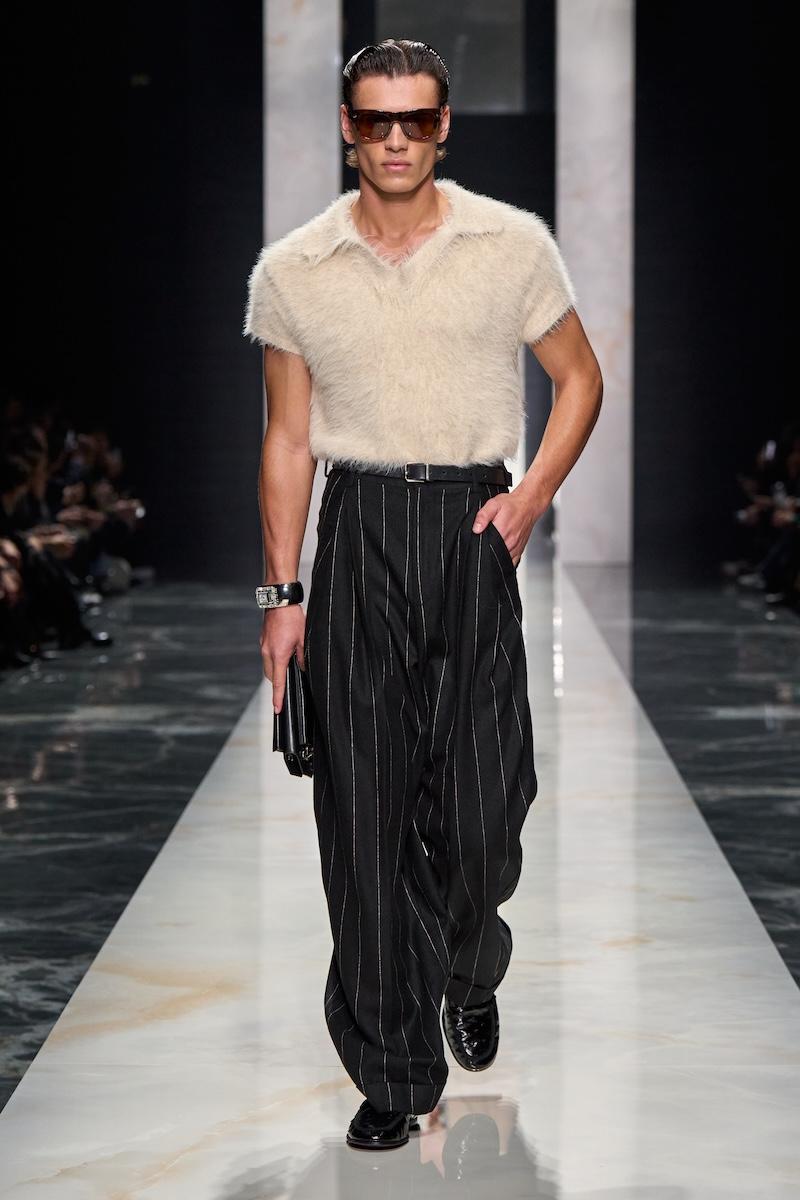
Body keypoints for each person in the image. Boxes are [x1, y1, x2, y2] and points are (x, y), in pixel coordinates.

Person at [244, 39, 603, 1151]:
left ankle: (468, 960)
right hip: (356, 533)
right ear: (346, 129)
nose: (394, 139)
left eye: (414, 120)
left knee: (487, 808)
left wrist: (532, 495)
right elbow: (288, 440)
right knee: (361, 818)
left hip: (470, 526)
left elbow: (580, 379)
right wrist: (282, 593)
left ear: (443, 127)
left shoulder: (510, 245)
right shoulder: (293, 270)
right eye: (373, 120)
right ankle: (394, 1072)